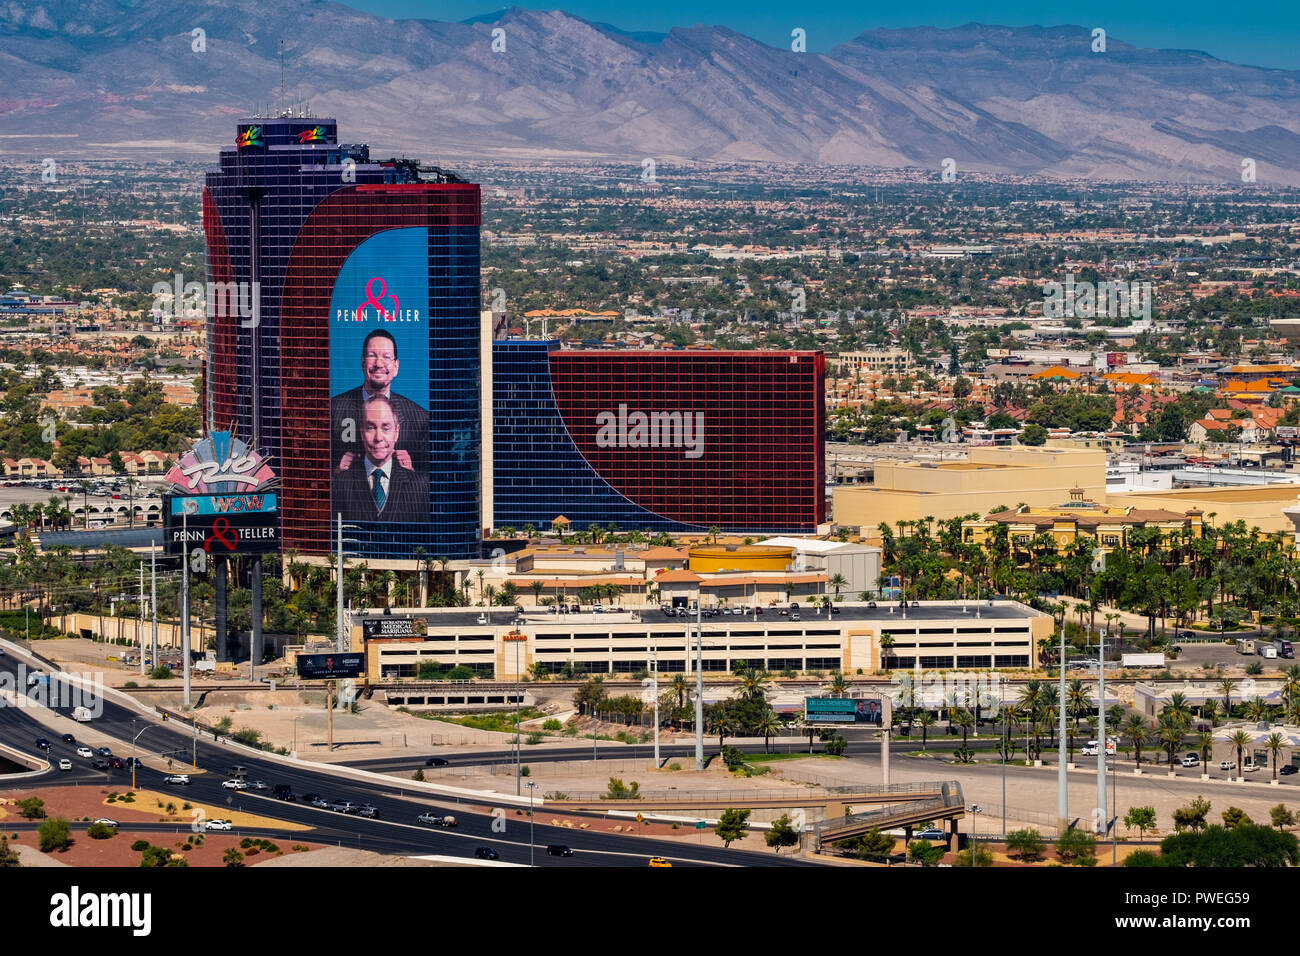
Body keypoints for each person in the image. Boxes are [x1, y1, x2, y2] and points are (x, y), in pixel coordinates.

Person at [330, 329, 427, 473]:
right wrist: (336, 472)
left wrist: (411, 472)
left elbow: (431, 480)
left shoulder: (420, 419)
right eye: (372, 355)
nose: (379, 363)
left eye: (386, 357)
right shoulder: (333, 409)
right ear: (363, 363)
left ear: (396, 367)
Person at [331, 395, 424, 522]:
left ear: (396, 433)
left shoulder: (421, 486)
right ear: (362, 432)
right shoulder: (339, 485)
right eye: (370, 428)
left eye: (386, 428)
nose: (378, 437)